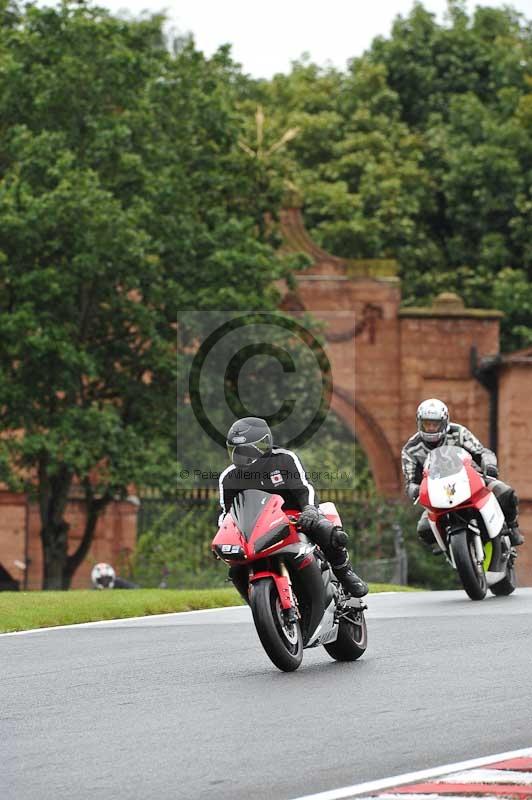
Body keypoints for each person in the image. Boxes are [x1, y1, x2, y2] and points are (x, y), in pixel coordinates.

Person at [218, 416, 368, 597]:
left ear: (263, 445)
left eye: (245, 450)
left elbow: (304, 488)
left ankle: (344, 572)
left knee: (325, 529)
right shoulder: (228, 477)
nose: (240, 456)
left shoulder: (285, 459)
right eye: (235, 450)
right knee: (235, 567)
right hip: (257, 528)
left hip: (296, 516)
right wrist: (225, 537)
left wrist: (310, 509)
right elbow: (226, 514)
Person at [401, 398, 524, 550]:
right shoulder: (410, 449)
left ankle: (512, 527)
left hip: (471, 479)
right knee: (424, 529)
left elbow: (482, 452)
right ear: (419, 423)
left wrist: (489, 464)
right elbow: (410, 480)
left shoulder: (459, 432)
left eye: (435, 424)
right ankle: (448, 546)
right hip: (438, 493)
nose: (431, 428)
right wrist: (414, 490)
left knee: (506, 493)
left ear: (444, 422)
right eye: (427, 424)